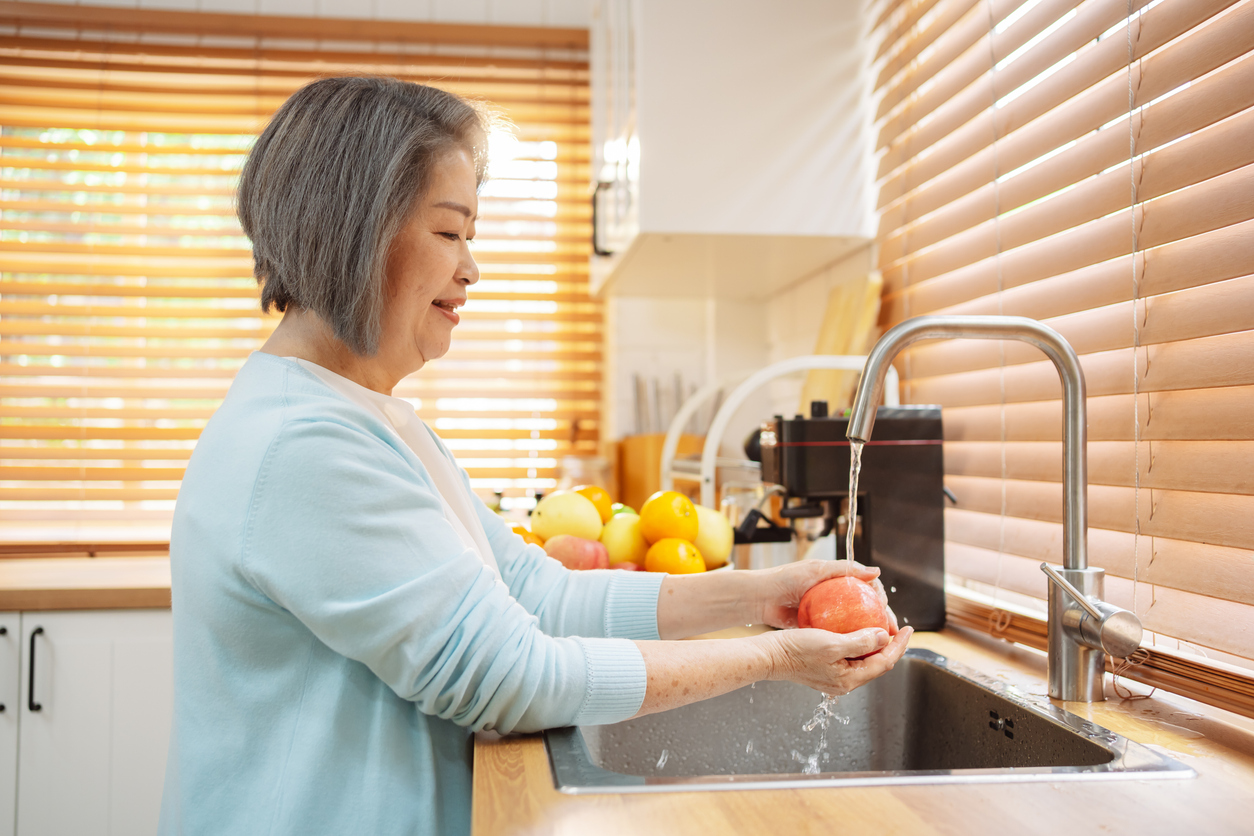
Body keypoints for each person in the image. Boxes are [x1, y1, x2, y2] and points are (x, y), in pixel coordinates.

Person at [159, 76, 912, 836]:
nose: (471, 268)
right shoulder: (304, 446)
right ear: (355, 230)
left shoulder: (368, 418)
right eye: (450, 233)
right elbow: (508, 677)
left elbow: (536, 597)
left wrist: (758, 596)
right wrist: (778, 659)